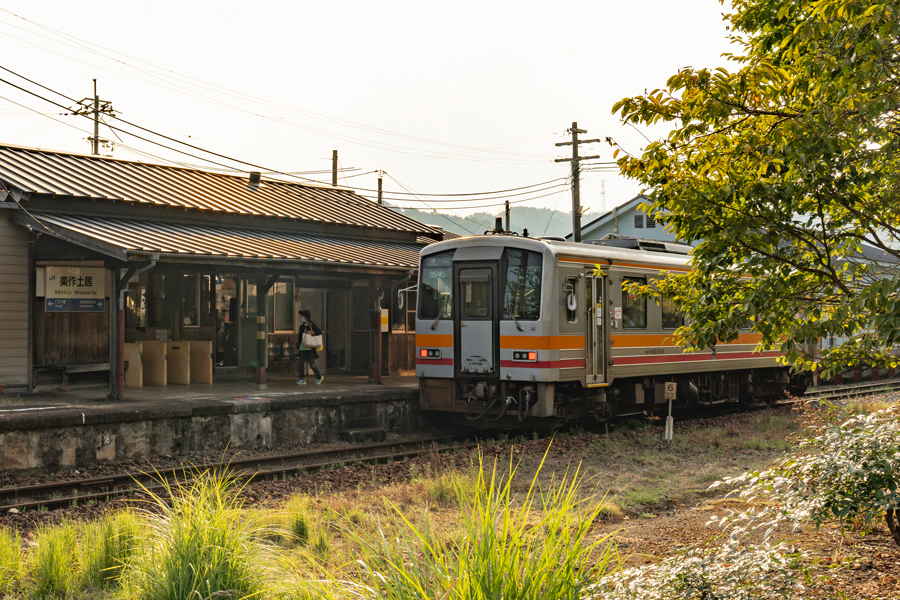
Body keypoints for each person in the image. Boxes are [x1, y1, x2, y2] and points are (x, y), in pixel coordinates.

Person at [296, 309, 324, 385]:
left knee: (312, 364)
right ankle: (302, 378)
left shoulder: (312, 325)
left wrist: (311, 332)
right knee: (301, 364)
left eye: (302, 316)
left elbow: (319, 332)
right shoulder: (301, 327)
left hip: (310, 348)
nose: (301, 317)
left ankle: (319, 376)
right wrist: (298, 348)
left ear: (306, 317)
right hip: (302, 347)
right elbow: (299, 338)